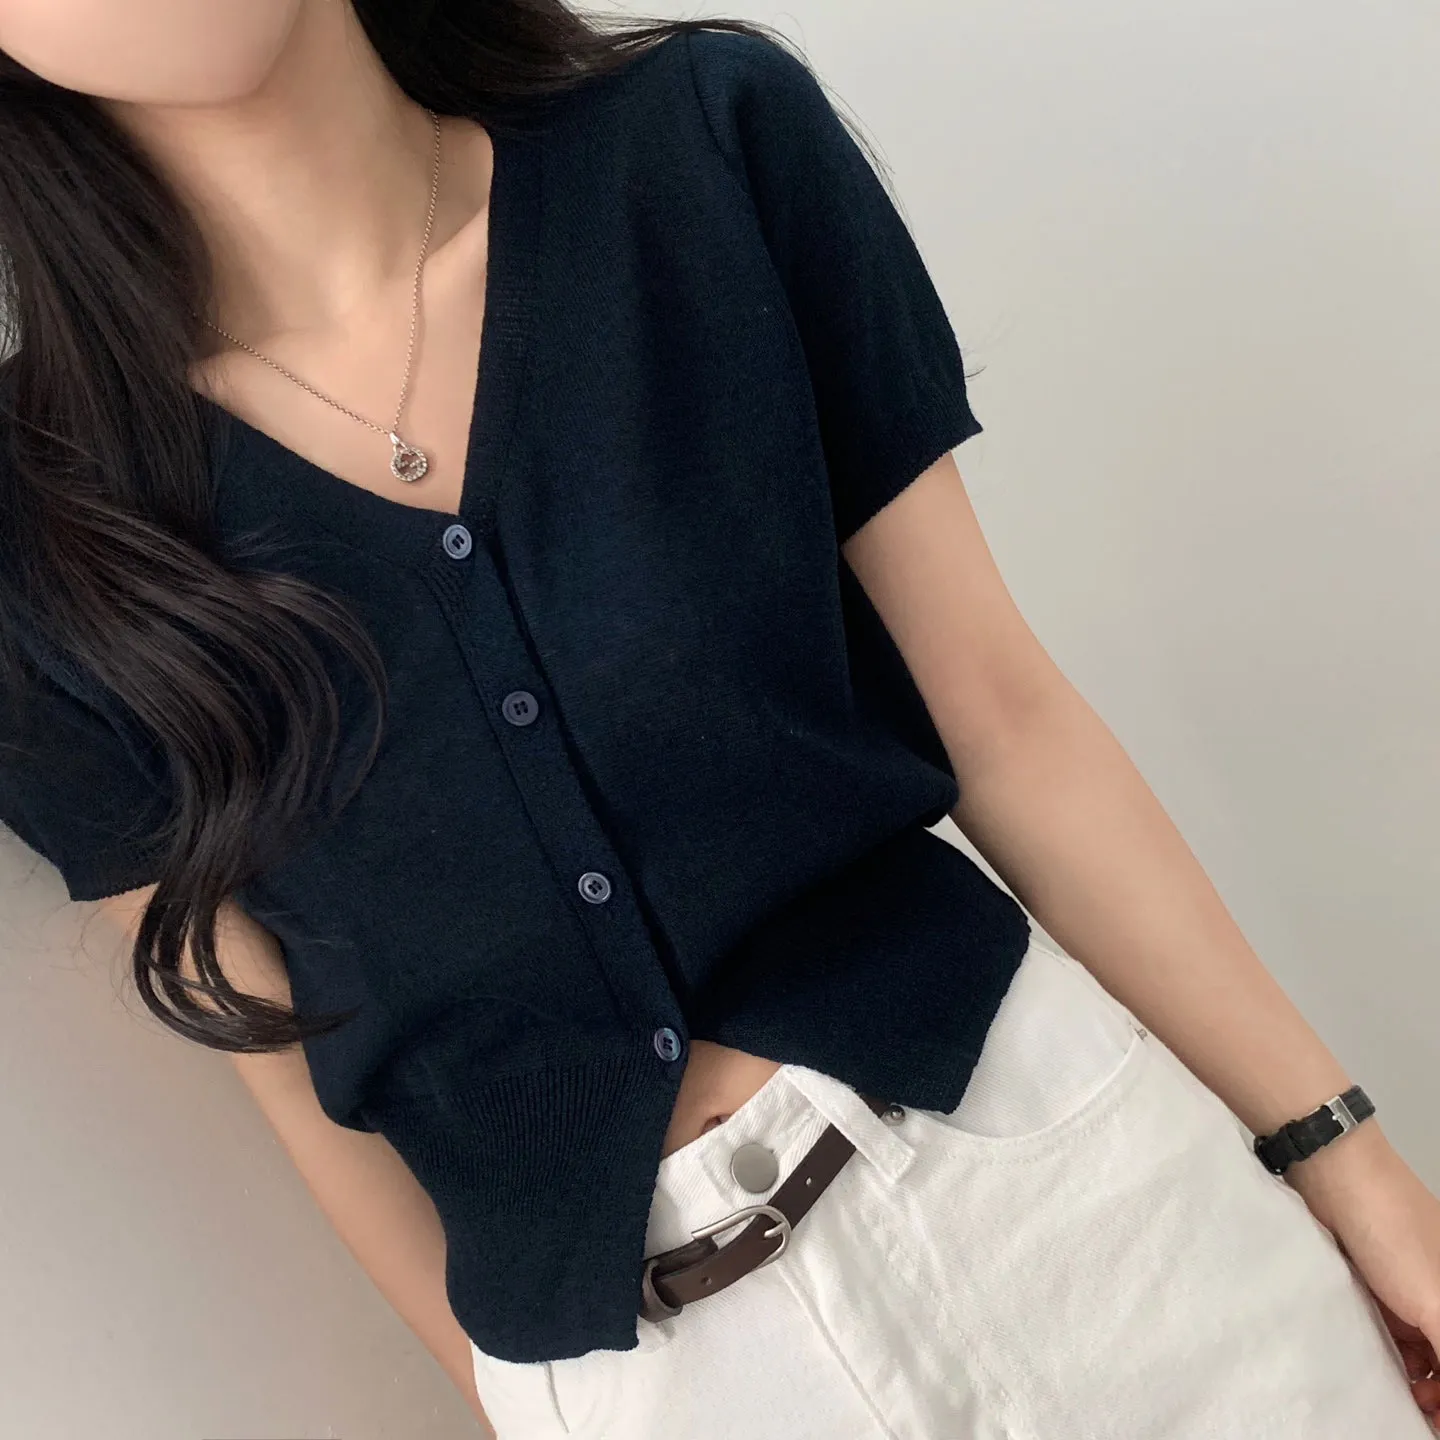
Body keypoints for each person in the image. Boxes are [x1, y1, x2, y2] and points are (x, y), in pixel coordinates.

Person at [0, 3, 1436, 1436]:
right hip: (670, 1381)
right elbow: (264, 1041)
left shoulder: (699, 145)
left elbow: (1005, 719)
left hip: (1093, 1215)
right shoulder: (32, 527)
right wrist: (522, 1405)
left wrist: (1352, 1167)